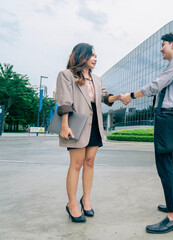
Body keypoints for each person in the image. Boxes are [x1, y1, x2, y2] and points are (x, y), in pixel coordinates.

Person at [121, 33, 173, 234]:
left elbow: (155, 86)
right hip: (172, 117)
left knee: (165, 164)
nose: (161, 49)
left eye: (163, 45)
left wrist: (131, 95)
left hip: (168, 117)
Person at [56, 43, 121, 223]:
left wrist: (118, 97)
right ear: (81, 56)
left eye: (96, 56)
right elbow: (64, 102)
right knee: (76, 164)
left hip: (95, 125)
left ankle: (86, 200)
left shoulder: (97, 79)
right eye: (92, 55)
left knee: (90, 162)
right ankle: (71, 204)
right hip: (77, 124)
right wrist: (64, 125)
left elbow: (104, 97)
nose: (95, 59)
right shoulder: (66, 75)